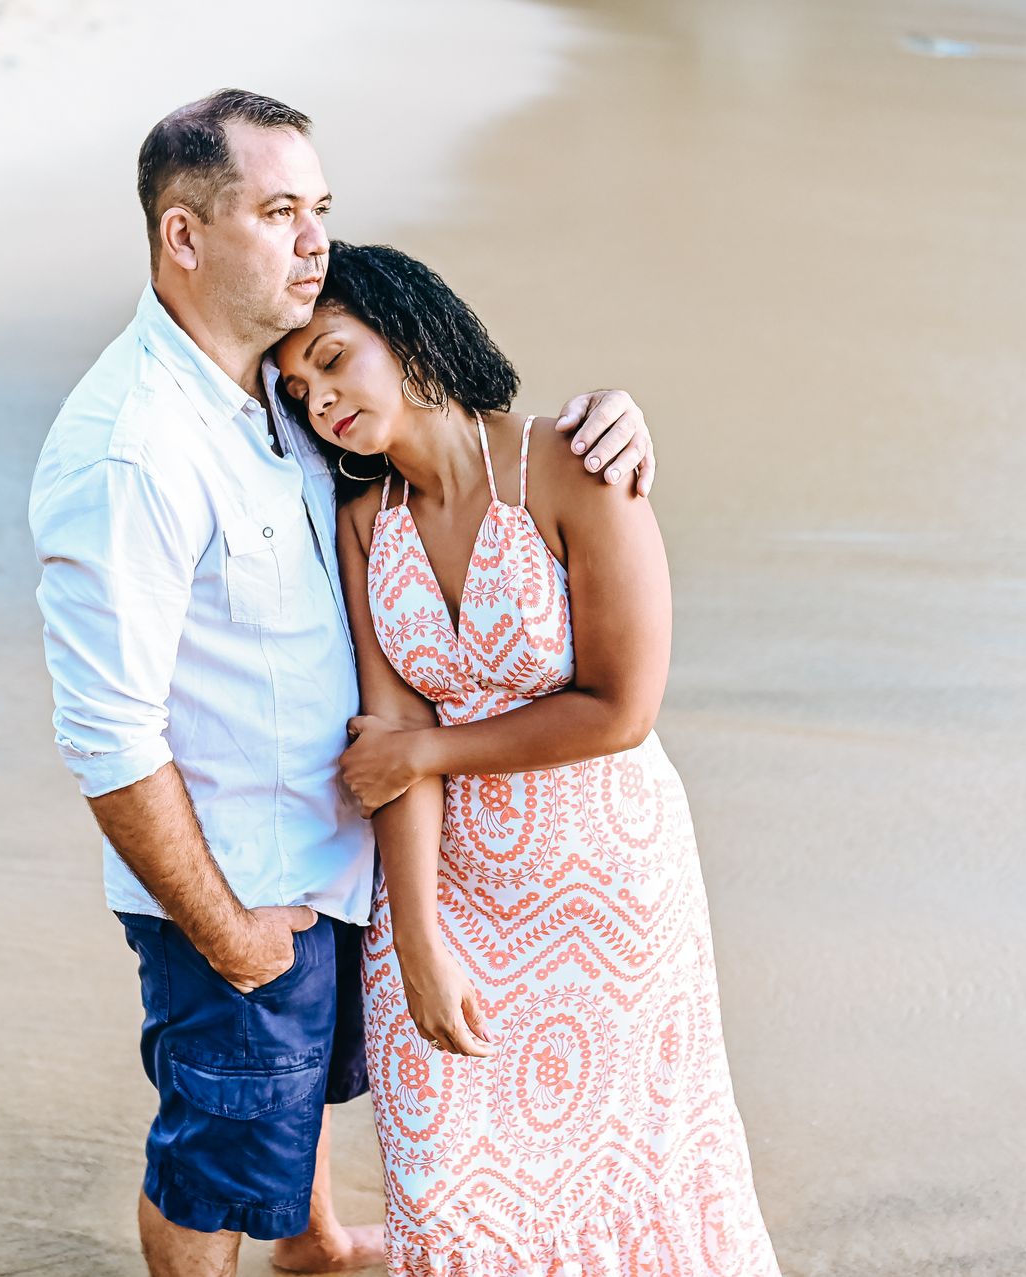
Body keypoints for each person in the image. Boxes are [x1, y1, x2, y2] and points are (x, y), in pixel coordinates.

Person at [28, 91, 655, 1277]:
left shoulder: (275, 386)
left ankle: (313, 1243)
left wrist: (616, 416)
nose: (313, 240)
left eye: (320, 209)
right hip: (239, 883)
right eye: (278, 211)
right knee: (212, 1164)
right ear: (185, 236)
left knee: (293, 1106)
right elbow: (108, 736)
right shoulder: (133, 449)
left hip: (332, 857)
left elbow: (448, 431)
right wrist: (231, 932)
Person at [274, 244, 778, 1275]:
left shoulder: (569, 463)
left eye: (333, 359)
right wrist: (413, 937)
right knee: (446, 1185)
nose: (322, 398)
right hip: (453, 892)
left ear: (407, 331)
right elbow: (387, 745)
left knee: (631, 1177)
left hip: (611, 895)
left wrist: (434, 747)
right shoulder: (367, 523)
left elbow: (621, 706)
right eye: (299, 388)